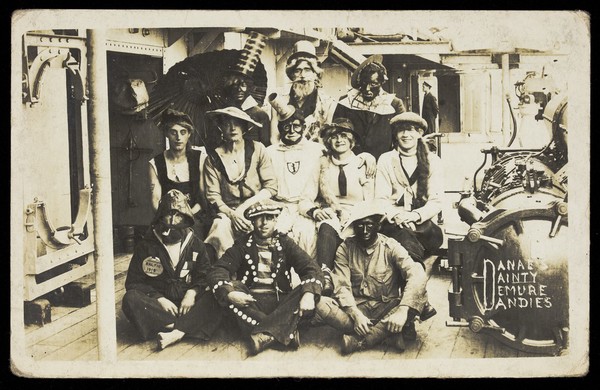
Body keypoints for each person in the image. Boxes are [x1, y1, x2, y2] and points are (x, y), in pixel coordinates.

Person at [207, 199, 325, 355]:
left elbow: (311, 268)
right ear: (252, 221)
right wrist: (230, 293)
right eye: (259, 218)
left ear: (275, 219)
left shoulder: (285, 243)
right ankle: (286, 331)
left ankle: (266, 335)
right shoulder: (242, 245)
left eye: (269, 217)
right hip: (251, 303)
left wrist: (309, 294)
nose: (264, 223)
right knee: (231, 288)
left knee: (307, 288)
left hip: (280, 302)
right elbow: (218, 269)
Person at [313, 201, 428, 355]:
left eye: (369, 225)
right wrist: (355, 314)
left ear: (378, 226)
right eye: (360, 226)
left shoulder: (391, 246)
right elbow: (342, 286)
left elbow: (416, 273)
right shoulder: (345, 249)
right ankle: (386, 335)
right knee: (320, 303)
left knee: (419, 297)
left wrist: (402, 311)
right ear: (354, 227)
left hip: (388, 309)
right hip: (355, 312)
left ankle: (360, 341)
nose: (365, 230)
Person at [122, 189, 222, 350]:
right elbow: (133, 283)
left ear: (186, 217)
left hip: (188, 304)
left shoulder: (196, 244)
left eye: (178, 215)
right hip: (161, 306)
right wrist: (159, 299)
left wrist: (192, 293)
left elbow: (204, 275)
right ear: (160, 217)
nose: (173, 221)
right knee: (130, 299)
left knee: (216, 295)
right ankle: (187, 326)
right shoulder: (147, 245)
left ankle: (174, 331)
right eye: (168, 215)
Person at [375, 111, 444, 319]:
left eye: (412, 130)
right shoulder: (387, 160)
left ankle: (413, 302)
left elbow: (437, 201)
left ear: (420, 133)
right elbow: (381, 199)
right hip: (394, 224)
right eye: (402, 130)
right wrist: (397, 216)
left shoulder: (432, 161)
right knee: (404, 239)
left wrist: (414, 216)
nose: (406, 134)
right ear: (395, 135)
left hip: (424, 227)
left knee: (407, 240)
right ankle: (417, 303)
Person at [202, 106, 278, 260]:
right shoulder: (212, 158)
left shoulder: (258, 149)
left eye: (237, 123)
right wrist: (233, 215)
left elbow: (271, 187)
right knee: (219, 227)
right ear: (220, 127)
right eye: (227, 123)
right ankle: (227, 273)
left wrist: (244, 208)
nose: (232, 128)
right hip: (229, 212)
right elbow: (213, 197)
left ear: (244, 127)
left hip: (259, 208)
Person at [315, 118, 375, 283]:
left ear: (352, 141)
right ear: (329, 141)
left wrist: (355, 215)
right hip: (333, 212)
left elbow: (370, 198)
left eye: (343, 136)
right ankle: (324, 275)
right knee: (326, 227)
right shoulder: (323, 165)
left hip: (357, 213)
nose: (339, 140)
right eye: (334, 137)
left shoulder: (362, 163)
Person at [149, 108, 210, 239]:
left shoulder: (200, 158)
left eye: (183, 132)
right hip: (166, 219)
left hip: (195, 216)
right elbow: (155, 200)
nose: (178, 138)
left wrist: (188, 216)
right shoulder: (156, 163)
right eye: (173, 132)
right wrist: (168, 219)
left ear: (189, 134)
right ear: (166, 134)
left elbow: (202, 196)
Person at [333, 55, 406, 161]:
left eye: (373, 84)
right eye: (364, 83)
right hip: (351, 162)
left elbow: (401, 135)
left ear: (381, 83)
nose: (367, 89)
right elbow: (336, 133)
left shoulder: (394, 104)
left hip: (382, 163)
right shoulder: (346, 102)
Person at [269, 40, 337, 145]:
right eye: (297, 70)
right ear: (291, 75)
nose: (303, 75)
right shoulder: (280, 100)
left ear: (315, 74)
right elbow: (274, 137)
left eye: (307, 70)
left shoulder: (328, 103)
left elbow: (326, 139)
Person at [218, 31, 271, 146]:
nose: (239, 89)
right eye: (235, 84)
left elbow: (266, 144)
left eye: (243, 84)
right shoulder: (224, 112)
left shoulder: (260, 115)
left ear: (250, 87)